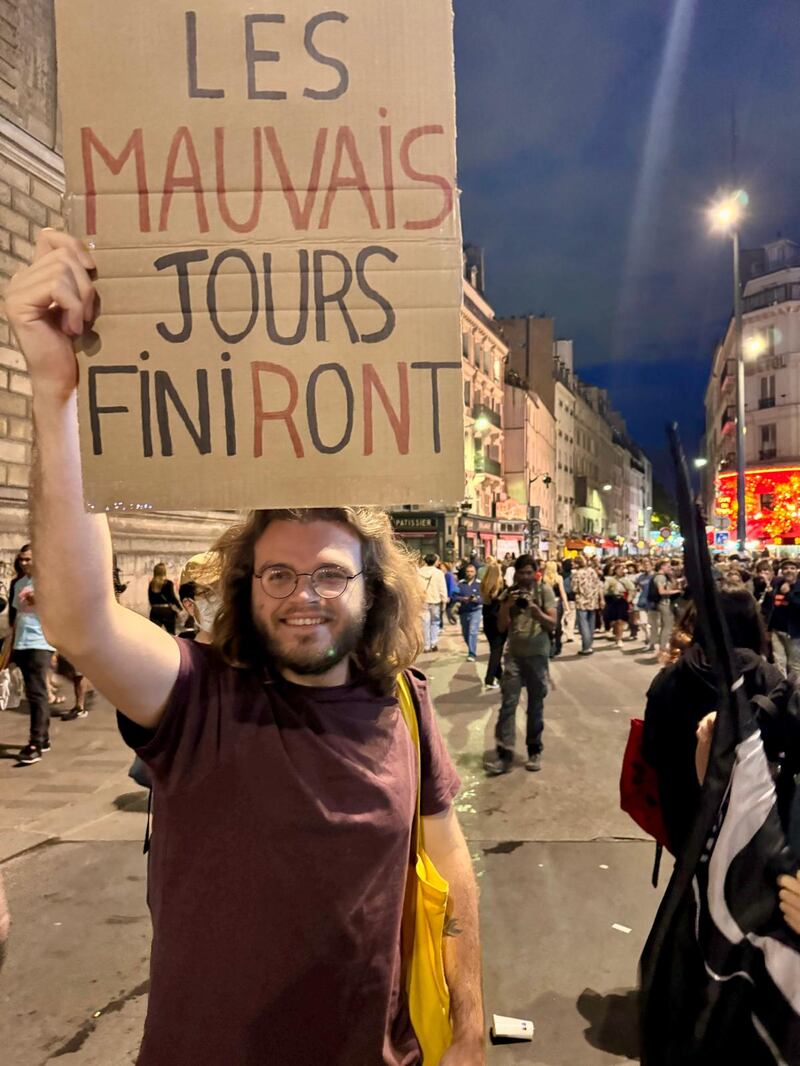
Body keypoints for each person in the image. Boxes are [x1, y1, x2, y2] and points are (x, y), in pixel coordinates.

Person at [7, 229, 486, 1065]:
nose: (304, 596)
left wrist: (471, 1029)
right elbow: (80, 620)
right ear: (244, 588)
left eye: (331, 576)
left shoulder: (404, 703)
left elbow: (451, 868)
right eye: (278, 575)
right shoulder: (197, 698)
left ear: (372, 591)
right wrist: (57, 395)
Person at [642, 585, 782, 855]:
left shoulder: (671, 677)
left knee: (690, 882)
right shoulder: (768, 678)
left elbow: (651, 750)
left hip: (682, 808)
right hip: (749, 817)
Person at [484, 555, 557, 775]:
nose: (525, 576)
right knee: (508, 704)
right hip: (514, 655)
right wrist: (506, 605)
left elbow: (552, 623)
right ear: (515, 573)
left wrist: (537, 612)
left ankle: (534, 750)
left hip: (537, 655)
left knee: (535, 705)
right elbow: (501, 627)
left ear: (536, 572)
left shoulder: (544, 591)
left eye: (529, 572)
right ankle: (504, 754)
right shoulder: (510, 593)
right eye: (521, 572)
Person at [10, 545, 56, 764]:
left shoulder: (49, 584)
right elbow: (15, 615)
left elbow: (59, 616)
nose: (24, 563)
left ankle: (35, 742)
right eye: (22, 560)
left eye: (28, 559)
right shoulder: (17, 583)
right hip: (20, 643)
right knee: (33, 693)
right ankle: (43, 738)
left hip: (40, 643)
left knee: (37, 693)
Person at [762, 558, 800, 676]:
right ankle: (782, 691)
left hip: (794, 633)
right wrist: (768, 593)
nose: (789, 571)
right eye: (785, 568)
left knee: (794, 665)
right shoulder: (777, 584)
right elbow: (770, 608)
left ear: (797, 571)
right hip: (777, 630)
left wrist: (788, 594)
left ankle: (796, 691)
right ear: (781, 571)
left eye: (792, 568)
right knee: (779, 663)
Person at [480, 562, 506, 690]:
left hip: (487, 621)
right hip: (499, 621)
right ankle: (489, 678)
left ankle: (500, 675)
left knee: (495, 649)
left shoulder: (484, 585)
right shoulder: (501, 586)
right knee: (497, 651)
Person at [571, 555, 604, 655]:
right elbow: (598, 585)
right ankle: (590, 645)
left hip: (581, 601)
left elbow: (574, 588)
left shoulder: (577, 574)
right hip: (593, 600)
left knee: (583, 624)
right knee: (591, 624)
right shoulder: (592, 571)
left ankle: (586, 647)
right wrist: (600, 599)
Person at [646, 559, 679, 655]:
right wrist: (676, 591)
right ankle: (663, 648)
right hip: (664, 603)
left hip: (660, 603)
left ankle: (662, 646)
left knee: (664, 625)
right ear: (662, 567)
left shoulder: (657, 576)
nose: (670, 569)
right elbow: (662, 591)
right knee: (667, 626)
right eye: (668, 567)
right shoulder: (661, 577)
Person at [417, 553, 448, 653]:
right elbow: (442, 587)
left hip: (422, 600)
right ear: (435, 561)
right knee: (435, 622)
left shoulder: (419, 572)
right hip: (435, 600)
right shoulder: (438, 573)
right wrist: (444, 599)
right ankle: (433, 643)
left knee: (424, 623)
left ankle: (426, 645)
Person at [454, 563, 482, 661]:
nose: (469, 573)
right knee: (465, 633)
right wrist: (462, 599)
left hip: (476, 610)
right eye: (468, 571)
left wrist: (476, 600)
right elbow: (454, 596)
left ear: (475, 573)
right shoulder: (460, 584)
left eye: (471, 572)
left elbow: (483, 598)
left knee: (473, 631)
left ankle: (472, 653)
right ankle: (470, 647)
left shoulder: (479, 584)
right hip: (464, 611)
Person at [603, 562, 633, 649]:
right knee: (613, 621)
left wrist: (629, 599)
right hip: (611, 600)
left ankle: (619, 638)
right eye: (619, 569)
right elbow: (605, 590)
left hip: (622, 601)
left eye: (622, 569)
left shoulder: (626, 580)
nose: (620, 571)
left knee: (620, 621)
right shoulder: (609, 579)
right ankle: (616, 634)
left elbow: (632, 589)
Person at [542, 560, 568, 657]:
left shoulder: (542, 579)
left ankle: (549, 645)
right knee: (557, 625)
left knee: (547, 625)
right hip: (557, 603)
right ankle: (557, 645)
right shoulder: (559, 578)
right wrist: (567, 605)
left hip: (546, 604)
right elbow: (562, 592)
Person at [148, 563, 183, 634]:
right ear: (164, 571)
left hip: (154, 611)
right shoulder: (168, 583)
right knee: (171, 633)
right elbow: (172, 597)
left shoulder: (151, 583)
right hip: (167, 611)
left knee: (154, 633)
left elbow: (150, 599)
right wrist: (179, 608)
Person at [441, 560, 459, 625]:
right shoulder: (445, 574)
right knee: (447, 609)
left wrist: (449, 596)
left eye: (442, 567)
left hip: (451, 594)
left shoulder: (448, 575)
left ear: (446, 567)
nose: (441, 568)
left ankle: (453, 620)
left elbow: (450, 586)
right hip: (449, 594)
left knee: (448, 609)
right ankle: (452, 620)